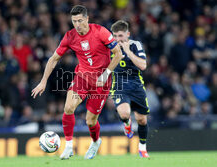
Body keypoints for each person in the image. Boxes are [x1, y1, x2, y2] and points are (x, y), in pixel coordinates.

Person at [31, 5, 122, 160]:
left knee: (90, 120)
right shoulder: (70, 36)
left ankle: (95, 142)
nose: (78, 24)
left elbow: (118, 54)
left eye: (80, 20)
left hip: (101, 82)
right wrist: (43, 81)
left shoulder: (101, 32)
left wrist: (106, 74)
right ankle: (68, 147)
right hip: (82, 78)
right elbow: (53, 59)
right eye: (74, 21)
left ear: (87, 18)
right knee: (68, 107)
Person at [110, 20, 150, 158]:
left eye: (120, 36)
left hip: (136, 85)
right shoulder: (110, 47)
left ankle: (142, 147)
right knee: (125, 113)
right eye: (114, 36)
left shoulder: (135, 45)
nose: (117, 39)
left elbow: (143, 65)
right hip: (119, 84)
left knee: (142, 120)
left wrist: (127, 51)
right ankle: (127, 123)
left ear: (127, 34)